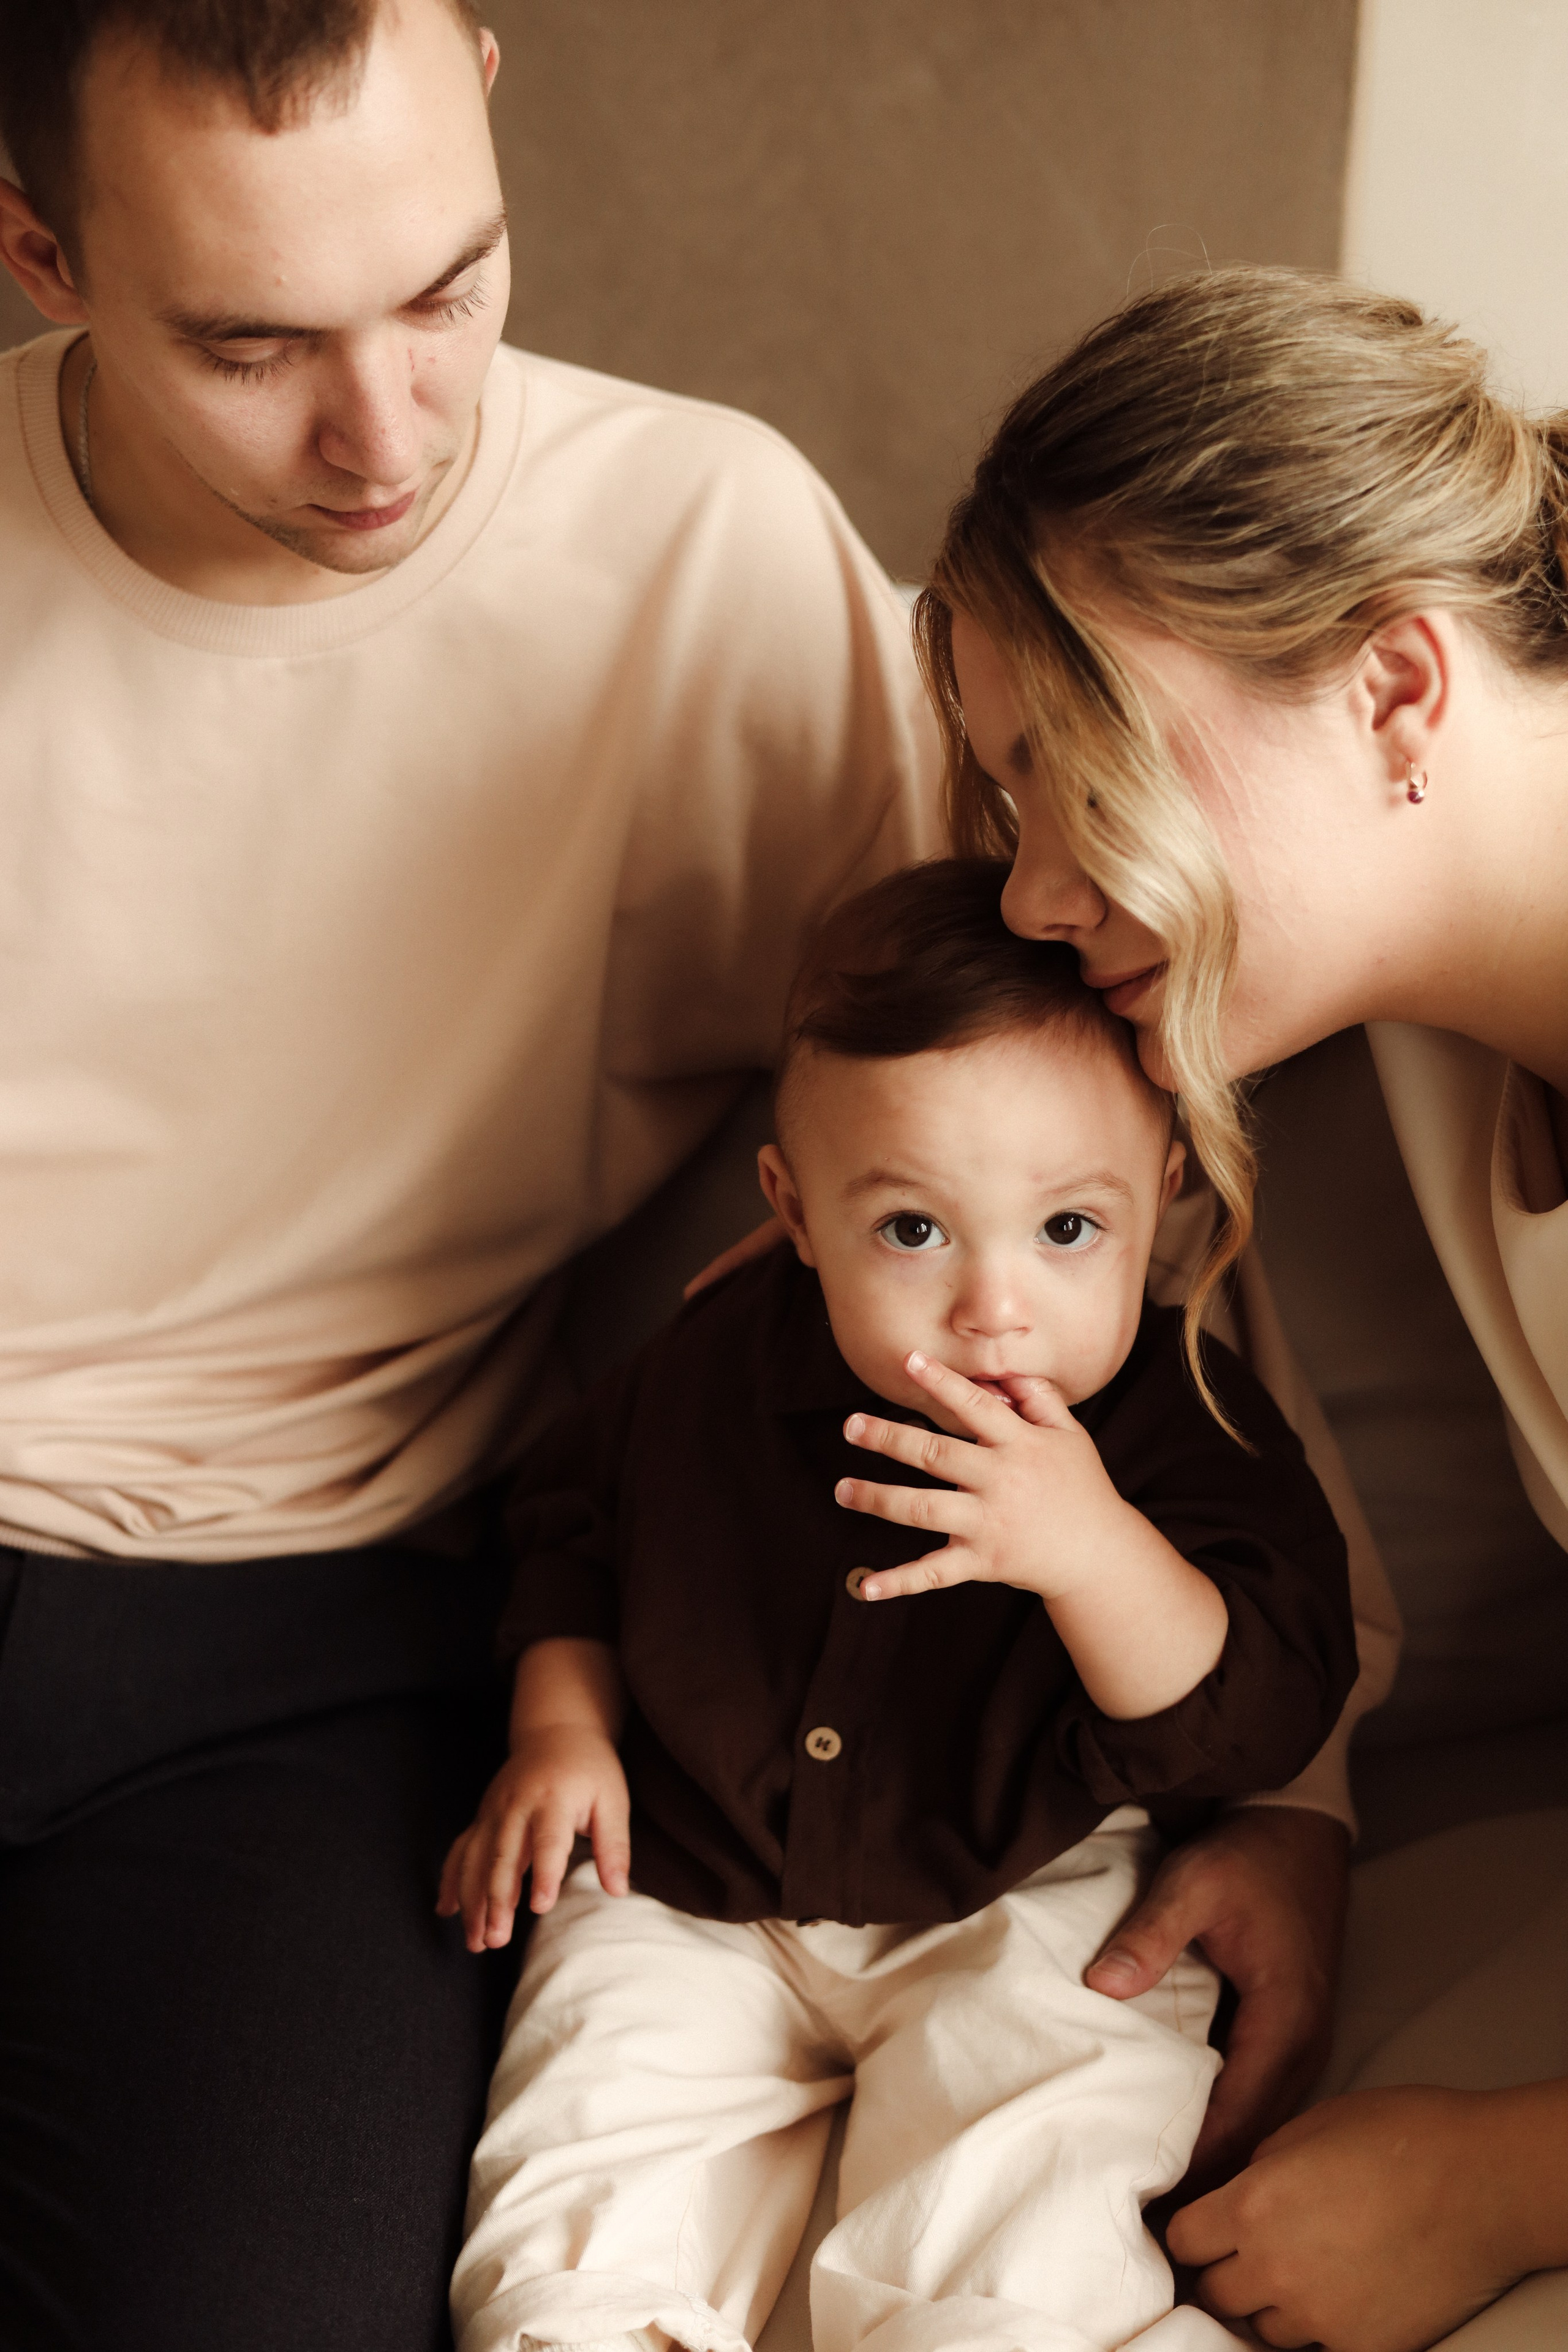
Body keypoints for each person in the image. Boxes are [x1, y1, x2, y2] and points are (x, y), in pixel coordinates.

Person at [0, 3, 938, 2345]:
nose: (387, 433)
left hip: (312, 1637)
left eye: (448, 288)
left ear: (488, 89)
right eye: (250, 347)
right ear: (39, 253)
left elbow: (1060, 1140)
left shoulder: (701, 554)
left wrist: (1292, 1790)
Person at [440, 858, 1359, 2352]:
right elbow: (573, 1524)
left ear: (1165, 1192)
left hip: (1030, 1878)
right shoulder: (718, 1359)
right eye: (912, 1231)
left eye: (1067, 1229)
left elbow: (1257, 1715)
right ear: (795, 1212)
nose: (994, 1307)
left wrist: (1091, 1551)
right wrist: (562, 1727)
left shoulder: (1184, 1419)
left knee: (1034, 2161)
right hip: (689, 1872)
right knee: (586, 2161)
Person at [915, 263, 1568, 2351]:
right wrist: (1296, 1795)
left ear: (1395, 690)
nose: (1032, 893)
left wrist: (1496, 2179)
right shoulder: (1398, 1032)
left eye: (1079, 768)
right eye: (1011, 798)